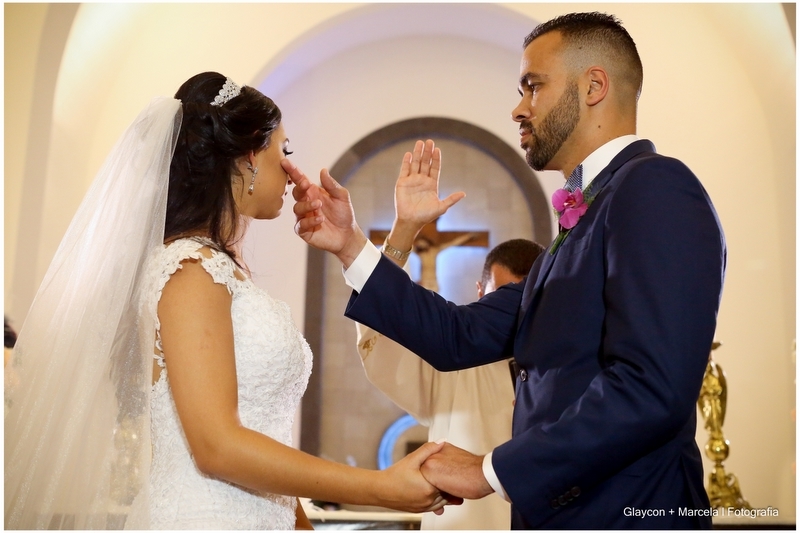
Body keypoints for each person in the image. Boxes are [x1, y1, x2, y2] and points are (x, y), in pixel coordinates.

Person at [284, 11, 726, 529]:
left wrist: (489, 470)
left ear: (594, 86)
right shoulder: (581, 223)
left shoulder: (655, 187)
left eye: (532, 86)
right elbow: (458, 336)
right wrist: (349, 245)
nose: (519, 108)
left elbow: (652, 387)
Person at [4, 72, 456, 530]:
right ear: (251, 157)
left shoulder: (221, 271)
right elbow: (216, 446)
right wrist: (379, 486)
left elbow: (262, 439)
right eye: (286, 150)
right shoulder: (190, 270)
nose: (293, 170)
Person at [356, 238, 544, 529]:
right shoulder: (452, 361)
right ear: (481, 294)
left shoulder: (571, 366)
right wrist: (400, 237)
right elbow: (385, 338)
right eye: (502, 300)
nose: (514, 317)